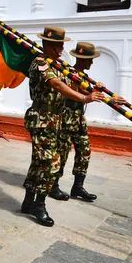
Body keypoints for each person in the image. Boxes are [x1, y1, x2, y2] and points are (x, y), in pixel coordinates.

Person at [21, 26, 106, 227]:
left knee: (39, 162)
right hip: (42, 118)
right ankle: (38, 205)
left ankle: (27, 202)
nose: (61, 49)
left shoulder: (58, 65)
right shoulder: (41, 64)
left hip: (55, 120)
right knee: (51, 163)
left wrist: (95, 90)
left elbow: (73, 84)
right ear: (48, 45)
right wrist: (86, 98)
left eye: (62, 45)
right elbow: (59, 86)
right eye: (58, 45)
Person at [51, 42, 126, 202]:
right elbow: (83, 91)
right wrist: (109, 98)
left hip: (78, 120)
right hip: (66, 119)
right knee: (62, 153)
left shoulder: (84, 75)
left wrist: (99, 90)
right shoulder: (69, 73)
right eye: (89, 60)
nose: (91, 63)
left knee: (84, 151)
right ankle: (54, 185)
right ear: (82, 59)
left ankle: (78, 186)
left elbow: (90, 91)